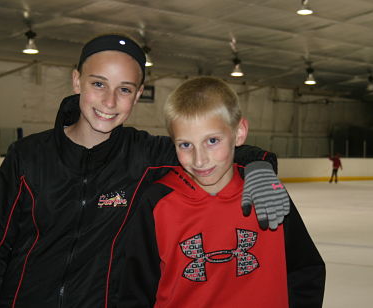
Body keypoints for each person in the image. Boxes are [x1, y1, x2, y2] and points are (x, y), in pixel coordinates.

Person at [0, 34, 287, 308]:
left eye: (125, 89)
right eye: (98, 83)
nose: (109, 101)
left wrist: (260, 167)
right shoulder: (28, 156)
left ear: (138, 94)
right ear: (77, 80)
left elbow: (218, 150)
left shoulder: (145, 154)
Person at [118, 77, 325, 308]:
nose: (199, 159)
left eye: (212, 141)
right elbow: (135, 292)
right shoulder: (158, 202)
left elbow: (305, 270)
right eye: (185, 145)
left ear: (239, 133)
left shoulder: (266, 194)